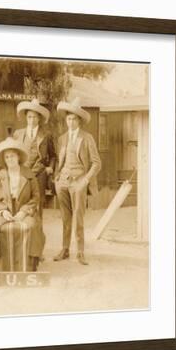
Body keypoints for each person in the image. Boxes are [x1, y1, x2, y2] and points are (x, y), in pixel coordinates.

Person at [53, 97, 101, 266]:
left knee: (78, 218)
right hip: (63, 182)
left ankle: (80, 252)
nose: (71, 122)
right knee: (65, 218)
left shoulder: (87, 138)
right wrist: (57, 179)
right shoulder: (62, 138)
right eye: (68, 118)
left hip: (79, 182)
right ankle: (65, 249)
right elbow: (59, 161)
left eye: (74, 118)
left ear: (79, 120)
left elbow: (97, 163)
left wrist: (85, 180)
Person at [0, 138, 46, 272]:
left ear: (18, 157)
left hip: (24, 209)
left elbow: (36, 196)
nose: (10, 159)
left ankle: (29, 264)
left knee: (31, 226)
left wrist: (24, 212)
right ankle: (4, 265)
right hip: (6, 209)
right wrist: (2, 211)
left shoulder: (29, 174)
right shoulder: (0, 175)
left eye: (12, 156)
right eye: (7, 157)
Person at [13, 98, 56, 218]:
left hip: (39, 174)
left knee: (37, 205)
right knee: (21, 203)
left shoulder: (46, 135)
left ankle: (38, 233)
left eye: (35, 117)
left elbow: (53, 156)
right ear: (26, 117)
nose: (32, 120)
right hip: (23, 174)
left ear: (39, 118)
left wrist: (50, 168)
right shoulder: (18, 134)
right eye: (30, 117)